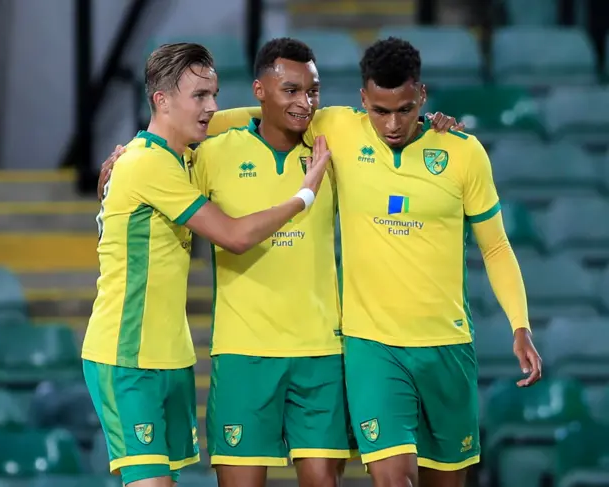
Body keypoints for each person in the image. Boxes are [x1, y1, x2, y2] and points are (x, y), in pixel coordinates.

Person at [169, 37, 544, 487]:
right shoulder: (320, 134)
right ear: (363, 99)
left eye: (404, 110)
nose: (391, 123)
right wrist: (148, 140)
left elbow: (497, 246)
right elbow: (260, 112)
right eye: (380, 111)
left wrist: (519, 323)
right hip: (355, 347)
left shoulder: (449, 150)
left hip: (416, 347)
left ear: (421, 97)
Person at [96, 40, 463, 487]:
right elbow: (188, 178)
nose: (304, 102)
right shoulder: (206, 155)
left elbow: (398, 125)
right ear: (260, 89)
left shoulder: (335, 144)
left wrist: (433, 123)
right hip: (240, 354)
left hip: (320, 352)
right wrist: (131, 152)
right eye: (290, 90)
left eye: (313, 91)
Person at [81, 42, 331, 487]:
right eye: (200, 96)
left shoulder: (180, 160)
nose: (213, 108)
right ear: (161, 100)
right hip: (126, 356)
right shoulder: (145, 165)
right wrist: (304, 194)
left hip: (171, 356)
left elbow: (238, 119)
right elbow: (234, 237)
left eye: (214, 94)